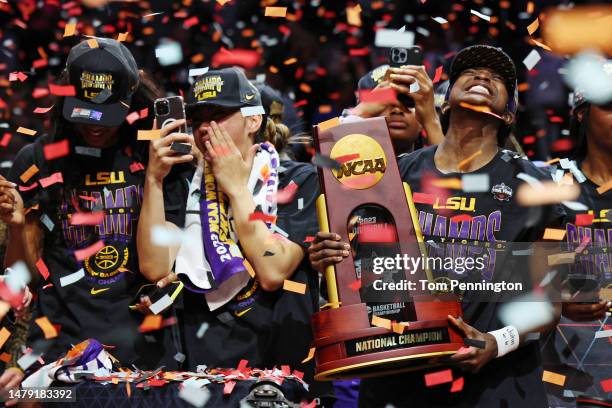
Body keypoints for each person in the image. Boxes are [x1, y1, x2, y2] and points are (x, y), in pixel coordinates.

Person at [309, 45, 565, 407]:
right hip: (398, 377)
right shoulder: (397, 173)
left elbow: (549, 305)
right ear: (444, 104)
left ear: (508, 115)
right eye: (469, 73)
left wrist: (497, 342)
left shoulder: (534, 186)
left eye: (497, 78)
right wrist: (331, 263)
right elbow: (363, 273)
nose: (481, 77)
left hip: (495, 388)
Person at [2, 37, 179, 376]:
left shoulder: (157, 156)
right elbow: (21, 278)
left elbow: (167, 265)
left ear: (130, 97)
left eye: (108, 114)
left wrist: (155, 176)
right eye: (85, 111)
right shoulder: (38, 159)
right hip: (58, 348)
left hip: (144, 351)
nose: (96, 124)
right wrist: (13, 225)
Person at [137, 67, 320, 372]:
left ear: (253, 120)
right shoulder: (182, 183)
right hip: (203, 366)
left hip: (282, 365)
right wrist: (154, 179)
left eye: (218, 115)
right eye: (198, 120)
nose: (206, 127)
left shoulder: (298, 180)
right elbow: (155, 265)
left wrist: (236, 187)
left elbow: (273, 271)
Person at [345, 64, 444, 154]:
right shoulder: (341, 164)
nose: (397, 110)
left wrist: (431, 121)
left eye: (407, 101)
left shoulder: (432, 166)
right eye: (385, 101)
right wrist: (357, 114)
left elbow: (449, 171)